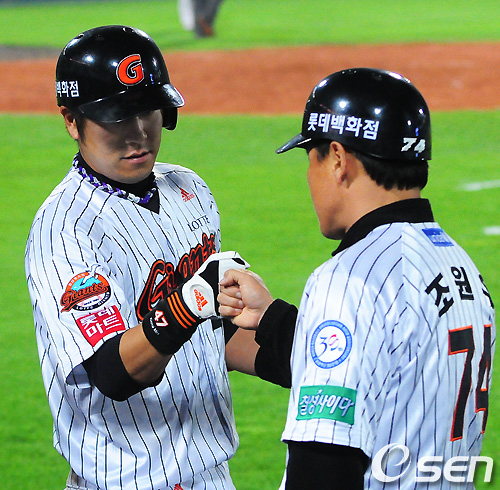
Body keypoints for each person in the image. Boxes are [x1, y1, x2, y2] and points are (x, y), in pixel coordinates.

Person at [25, 25, 288, 490]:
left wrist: (299, 359)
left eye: (147, 110)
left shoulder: (190, 189)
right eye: (117, 116)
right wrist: (188, 303)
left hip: (212, 475)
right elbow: (113, 372)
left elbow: (212, 336)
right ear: (72, 121)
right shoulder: (66, 231)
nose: (138, 133)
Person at [218, 68, 496, 489]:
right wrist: (272, 318)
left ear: (337, 159)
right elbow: (390, 371)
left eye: (310, 158)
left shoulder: (348, 278)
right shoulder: (460, 266)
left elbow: (323, 464)